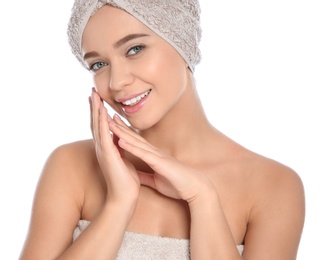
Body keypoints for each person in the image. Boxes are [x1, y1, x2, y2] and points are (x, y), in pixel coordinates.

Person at [20, 0, 305, 259]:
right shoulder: (71, 166)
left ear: (183, 42)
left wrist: (203, 198)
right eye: (99, 64)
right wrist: (118, 204)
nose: (117, 82)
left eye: (135, 49)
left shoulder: (273, 186)